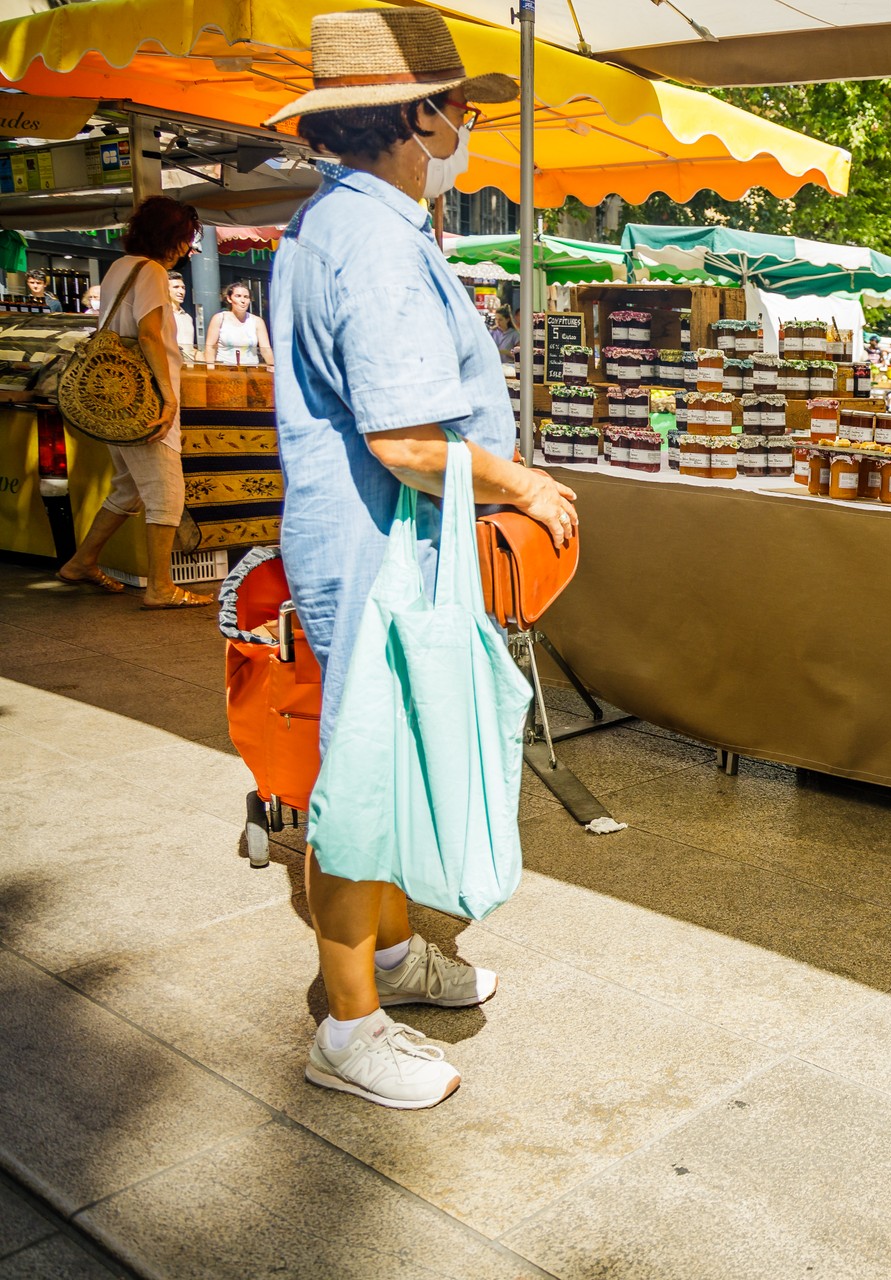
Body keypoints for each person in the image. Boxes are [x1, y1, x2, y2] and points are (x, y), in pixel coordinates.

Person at [268, 8, 571, 1109]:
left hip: (368, 543)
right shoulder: (376, 239)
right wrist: (521, 482)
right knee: (357, 781)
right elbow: (402, 440)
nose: (465, 126)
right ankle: (348, 1026)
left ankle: (394, 961)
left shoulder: (340, 224)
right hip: (378, 545)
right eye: (459, 108)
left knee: (379, 768)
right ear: (417, 115)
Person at [56, 196, 210, 608]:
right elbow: (148, 335)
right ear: (171, 236)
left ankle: (81, 561)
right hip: (142, 399)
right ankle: (161, 587)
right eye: (186, 238)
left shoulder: (120, 267)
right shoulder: (153, 272)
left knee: (128, 488)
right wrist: (168, 397)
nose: (188, 248)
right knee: (167, 492)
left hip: (116, 396)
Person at [205, 281, 273, 366]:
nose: (243, 300)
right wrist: (210, 367)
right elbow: (210, 347)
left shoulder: (257, 321)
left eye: (246, 297)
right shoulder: (219, 319)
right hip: (224, 370)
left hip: (251, 371)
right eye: (238, 296)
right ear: (229, 298)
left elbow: (265, 349)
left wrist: (272, 366)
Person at [166, 271, 197, 356]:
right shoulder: (162, 315)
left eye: (183, 288)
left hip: (189, 366)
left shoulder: (187, 318)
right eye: (176, 287)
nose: (181, 291)